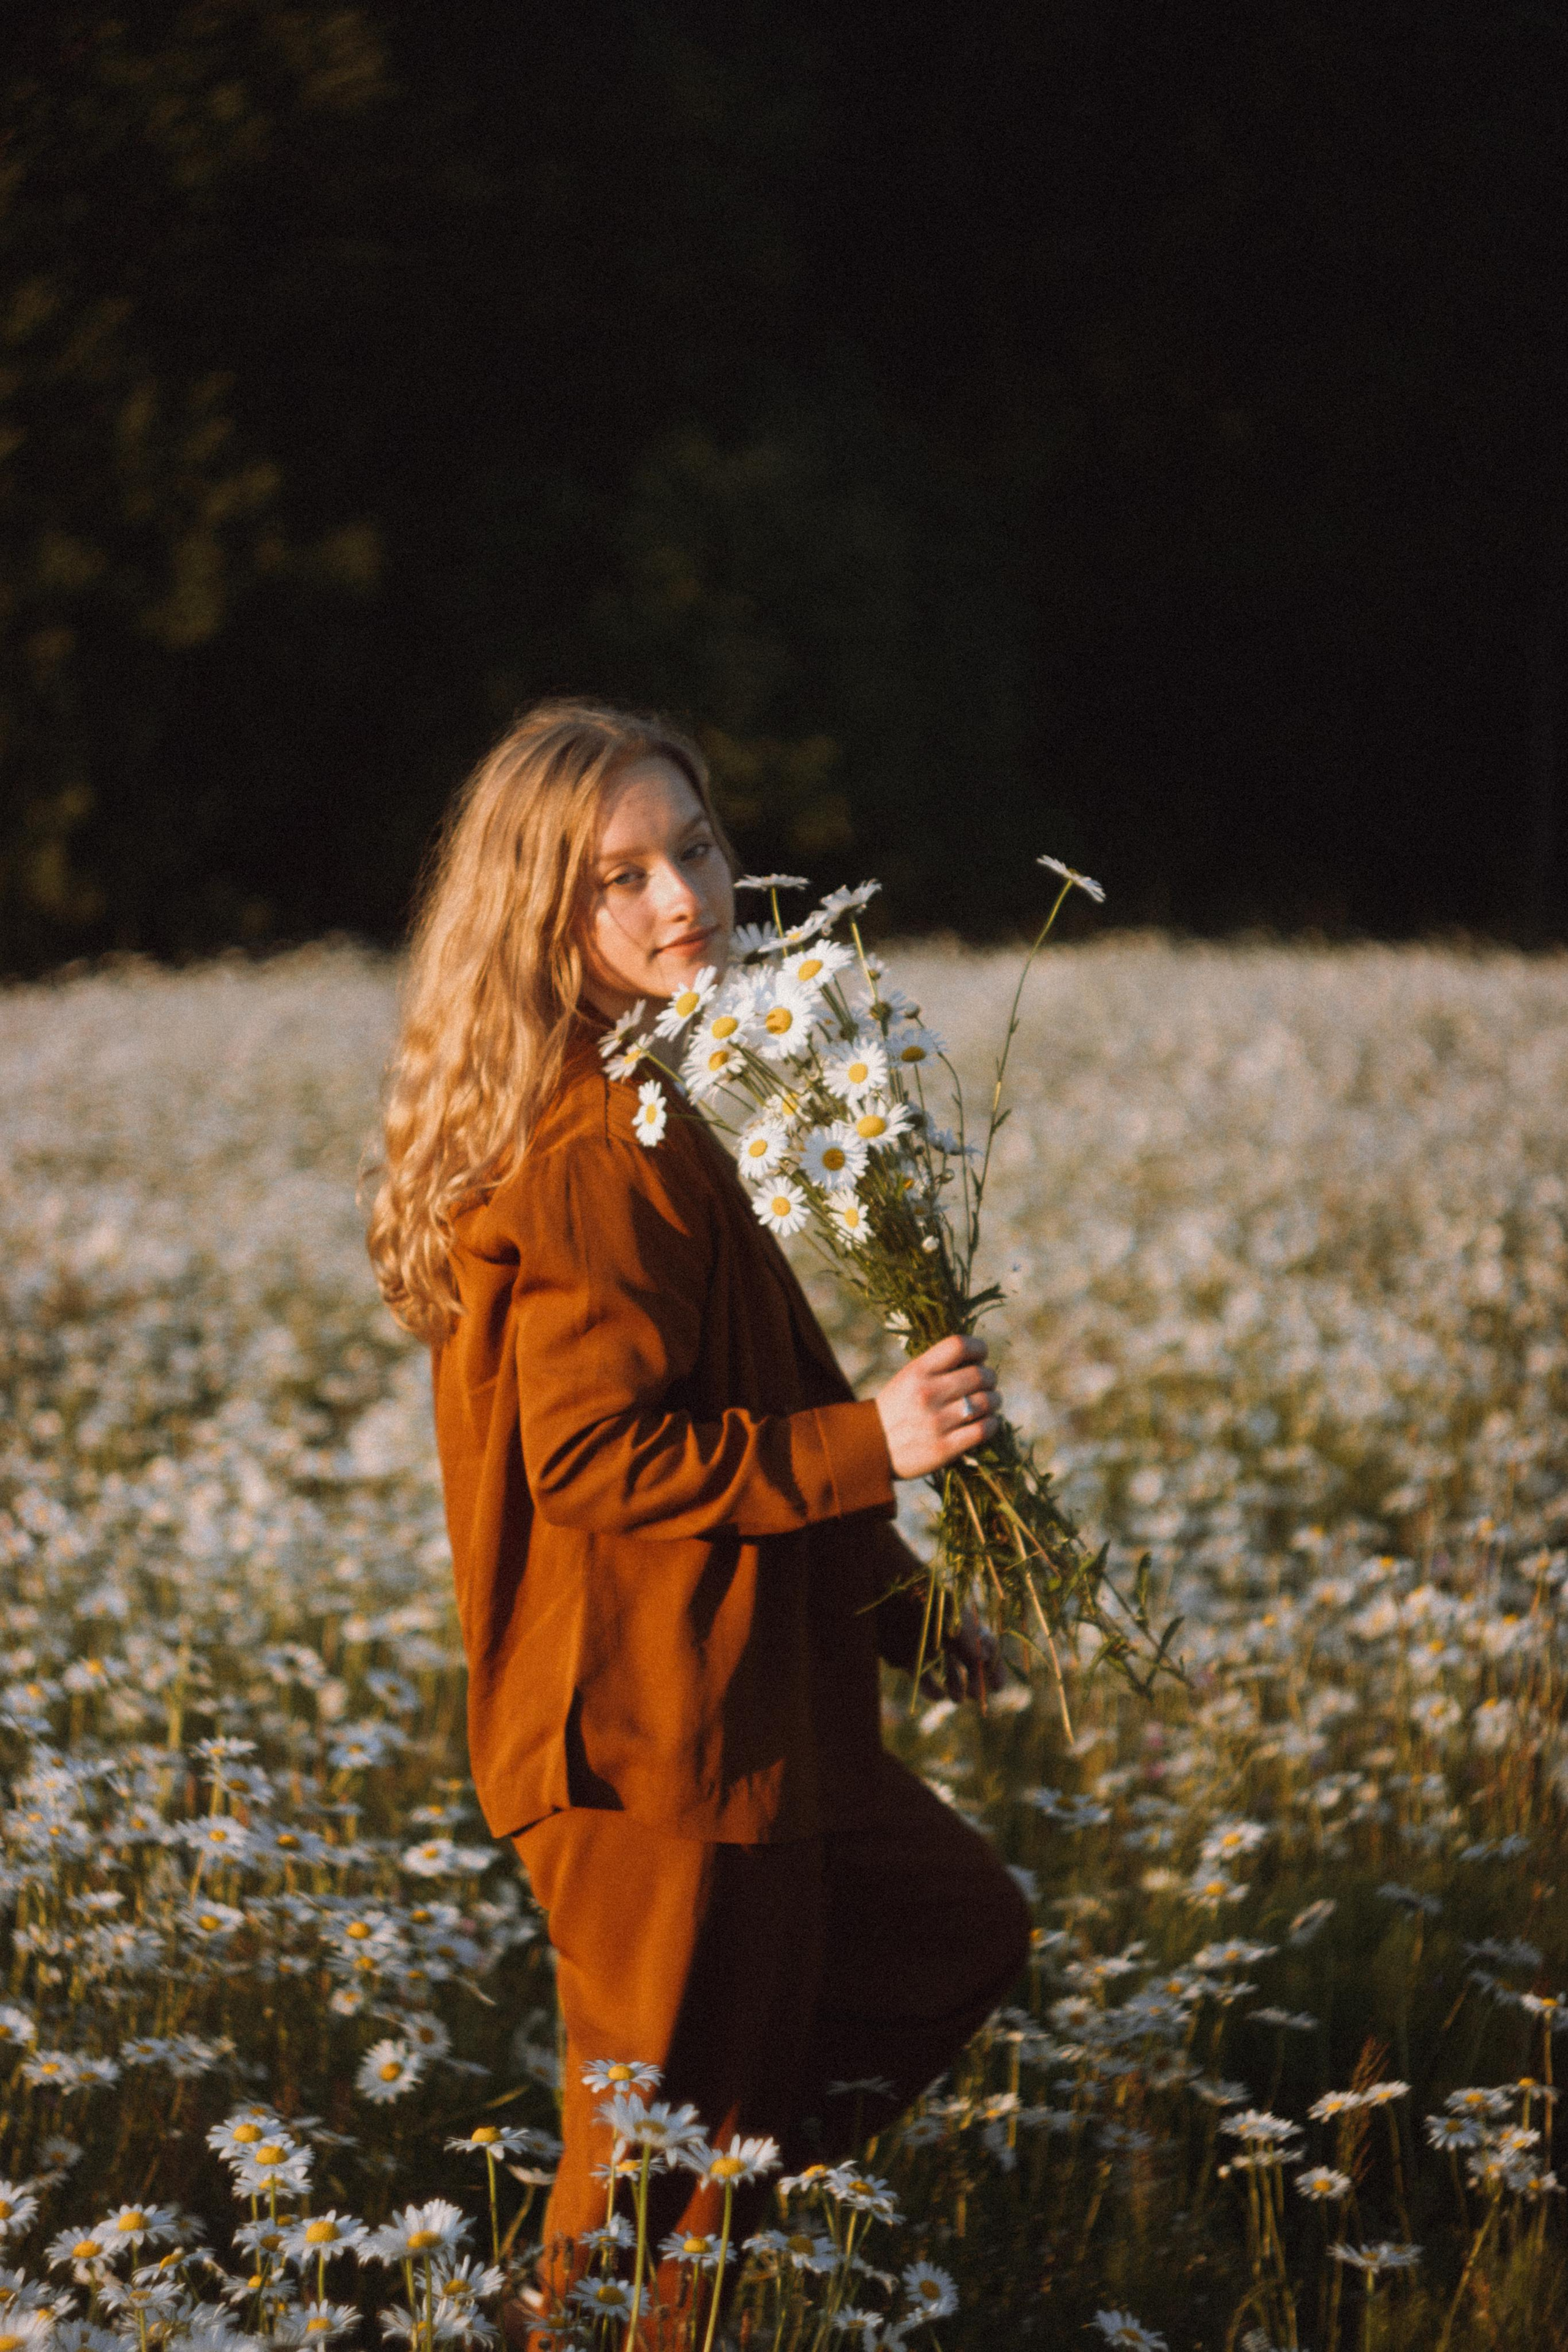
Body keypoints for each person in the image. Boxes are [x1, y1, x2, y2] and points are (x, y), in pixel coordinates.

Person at [367, 699, 1031, 2339]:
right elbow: (595, 1460)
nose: (685, 898)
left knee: (949, 1939)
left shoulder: (661, 1098)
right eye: (622, 877)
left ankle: (683, 2263)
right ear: (541, 917)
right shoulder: (600, 1144)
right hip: (646, 1743)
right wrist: (872, 1443)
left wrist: (904, 1609)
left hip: (737, 1712)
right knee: (643, 2203)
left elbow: (748, 1378)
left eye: (698, 848)